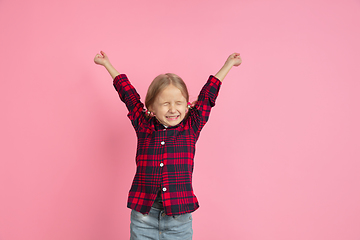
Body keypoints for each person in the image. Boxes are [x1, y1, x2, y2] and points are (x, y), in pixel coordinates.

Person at [94, 51, 242, 240]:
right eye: (165, 103)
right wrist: (107, 64)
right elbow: (129, 96)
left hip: (178, 219)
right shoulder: (144, 125)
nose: (173, 109)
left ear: (187, 105)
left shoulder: (191, 127)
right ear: (152, 107)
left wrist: (228, 64)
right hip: (143, 217)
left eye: (179, 103)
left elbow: (207, 98)